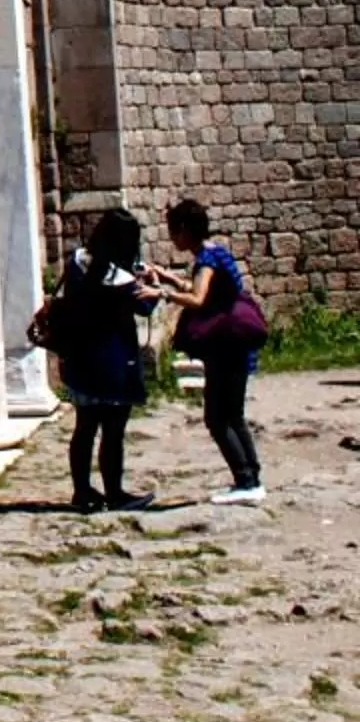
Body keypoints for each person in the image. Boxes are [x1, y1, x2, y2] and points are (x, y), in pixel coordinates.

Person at [151, 198, 264, 504]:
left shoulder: (205, 261)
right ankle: (251, 479)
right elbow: (206, 290)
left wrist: (163, 293)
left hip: (225, 346)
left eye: (174, 231)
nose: (173, 238)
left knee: (217, 417)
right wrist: (171, 278)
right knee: (233, 415)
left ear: (186, 230)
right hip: (235, 343)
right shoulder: (216, 252)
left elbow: (200, 298)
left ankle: (245, 481)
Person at [51, 206, 158, 512]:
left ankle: (82, 491)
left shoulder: (77, 263)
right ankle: (114, 492)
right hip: (113, 361)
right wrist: (149, 282)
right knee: (113, 431)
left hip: (80, 357)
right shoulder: (121, 277)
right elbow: (144, 309)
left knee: (84, 428)